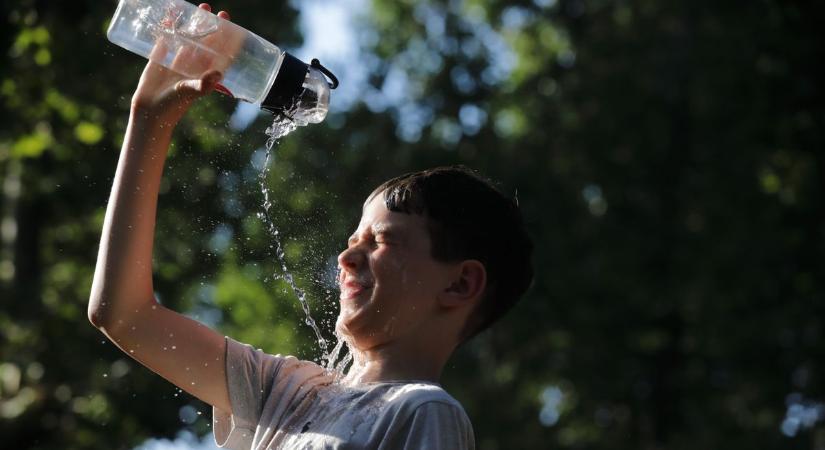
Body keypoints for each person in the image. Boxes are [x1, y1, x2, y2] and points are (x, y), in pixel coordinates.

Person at [88, 4, 533, 449]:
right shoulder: (285, 393)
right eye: (353, 239)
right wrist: (149, 119)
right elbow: (123, 314)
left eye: (381, 240)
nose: (346, 257)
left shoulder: (423, 410)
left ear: (460, 283)